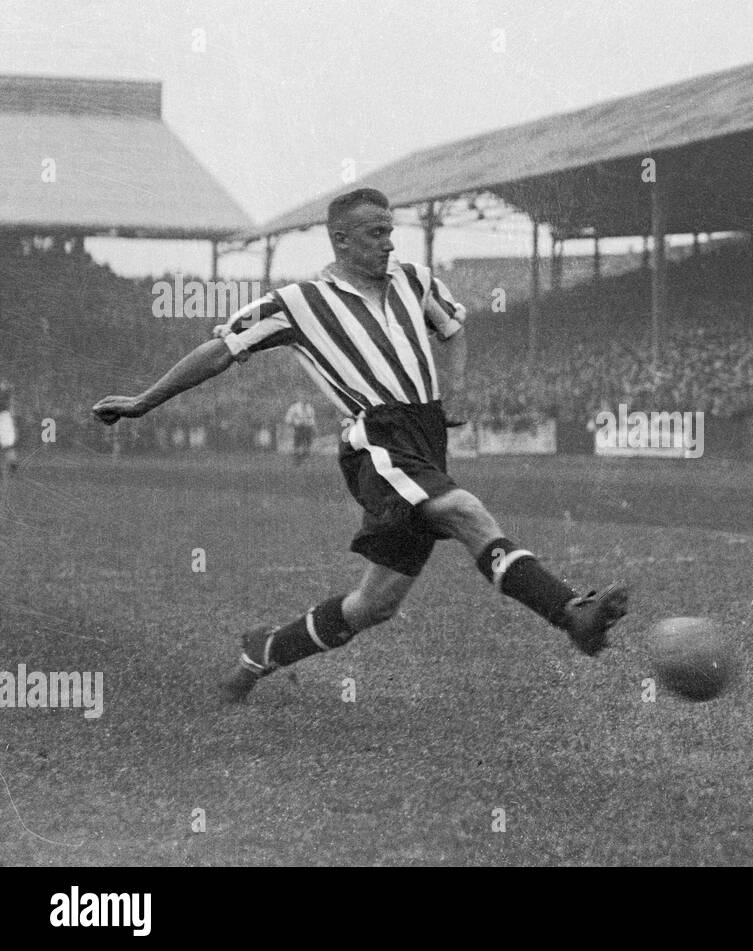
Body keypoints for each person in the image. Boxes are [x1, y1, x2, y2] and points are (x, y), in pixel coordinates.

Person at [92, 188, 628, 704]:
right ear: (342, 241)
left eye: (391, 231)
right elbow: (219, 351)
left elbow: (454, 330)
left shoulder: (415, 280)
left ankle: (263, 652)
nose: (389, 243)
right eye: (376, 233)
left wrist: (453, 392)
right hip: (376, 438)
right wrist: (144, 401)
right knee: (467, 511)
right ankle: (569, 611)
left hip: (425, 437)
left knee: (373, 605)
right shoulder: (297, 303)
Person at [284, 393, 317, 464]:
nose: (304, 399)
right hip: (299, 427)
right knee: (297, 443)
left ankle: (305, 458)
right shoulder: (294, 407)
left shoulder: (309, 407)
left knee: (308, 443)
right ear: (299, 398)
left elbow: (312, 418)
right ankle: (297, 459)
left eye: (305, 397)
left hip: (308, 427)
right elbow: (288, 416)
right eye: (302, 397)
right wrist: (290, 422)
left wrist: (313, 426)